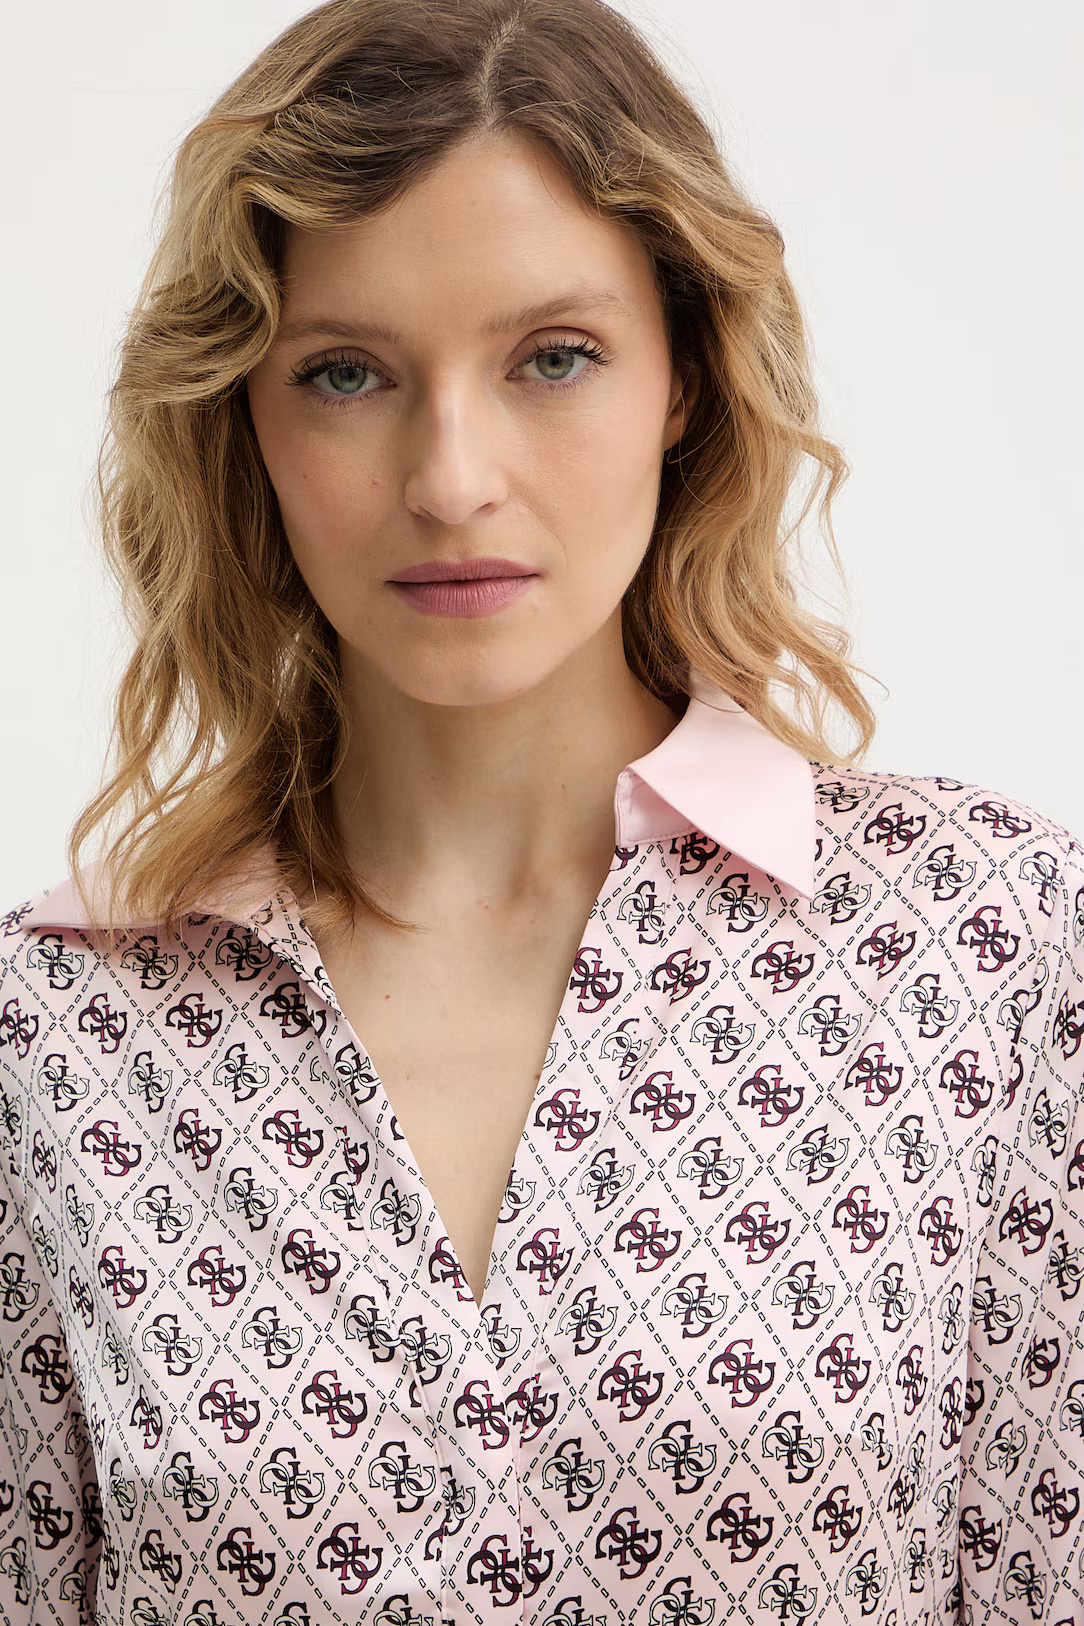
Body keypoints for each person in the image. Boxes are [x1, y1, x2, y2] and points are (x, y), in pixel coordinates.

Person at [1, 0, 1081, 1620]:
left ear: (684, 376)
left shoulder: (989, 945)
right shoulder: (52, 1033)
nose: (450, 478)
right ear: (243, 419)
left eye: (553, 357)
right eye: (346, 372)